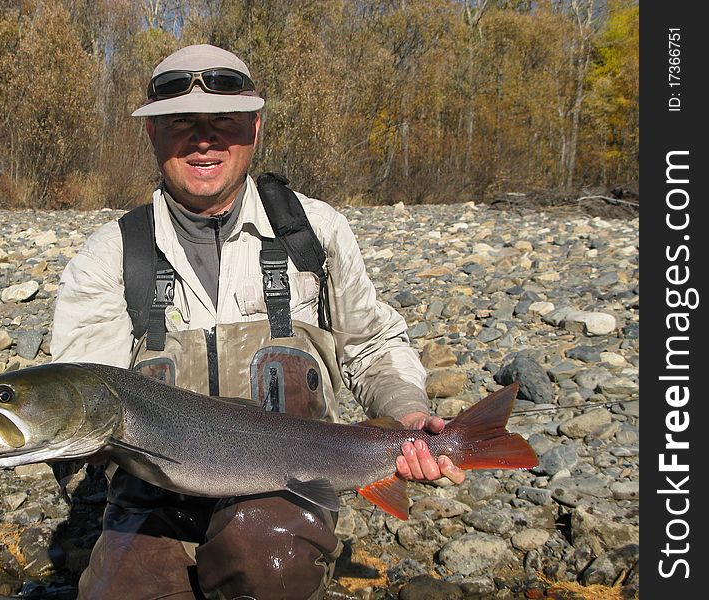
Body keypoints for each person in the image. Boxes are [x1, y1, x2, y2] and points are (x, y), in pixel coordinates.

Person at [51, 44, 465, 600]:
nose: (205, 140)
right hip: (154, 489)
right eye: (182, 123)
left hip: (288, 481)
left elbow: (372, 346)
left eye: (224, 120)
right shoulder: (112, 252)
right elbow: (87, 388)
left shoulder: (312, 231)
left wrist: (409, 416)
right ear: (152, 134)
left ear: (254, 126)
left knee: (263, 559)